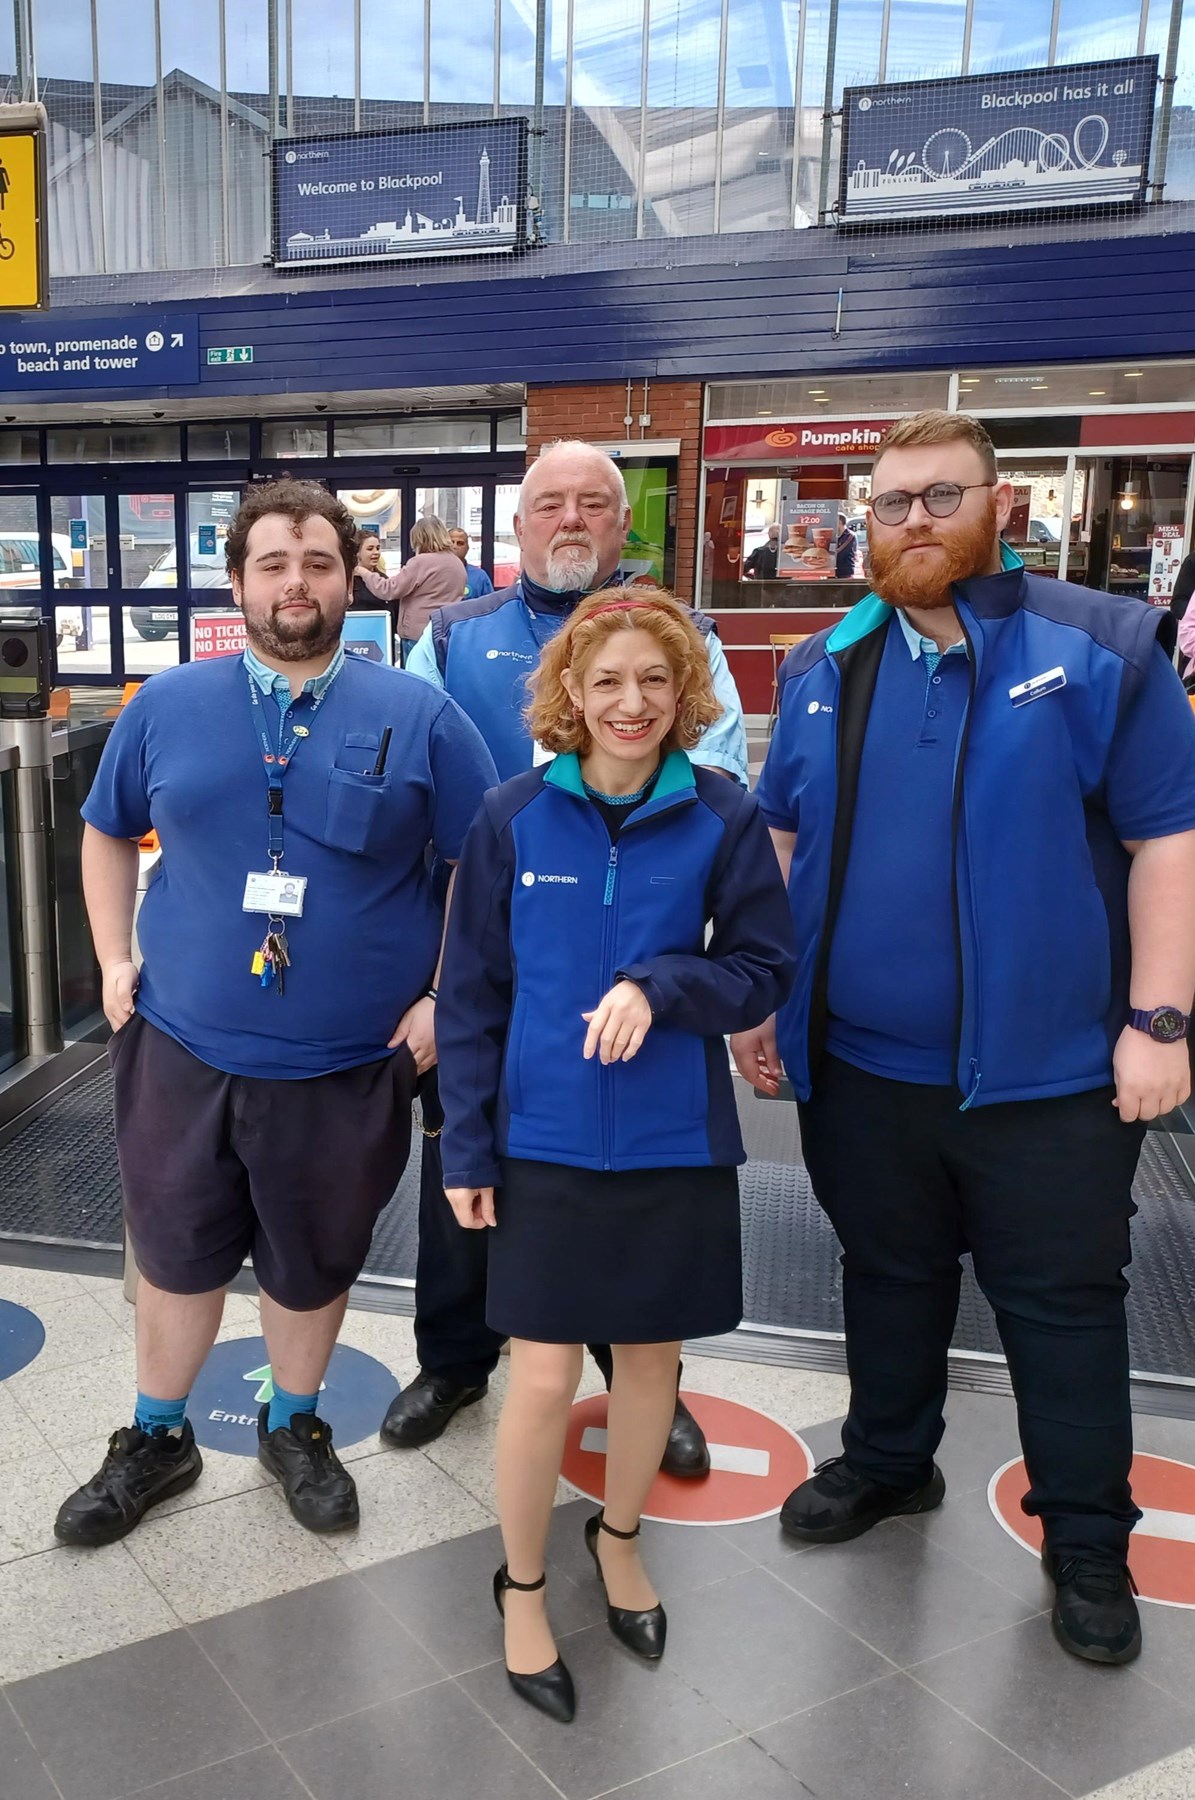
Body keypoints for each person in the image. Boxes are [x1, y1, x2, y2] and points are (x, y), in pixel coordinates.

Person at [733, 410, 1195, 1668]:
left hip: (1047, 1080)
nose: (914, 522)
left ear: (1005, 509)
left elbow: (1169, 838)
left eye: (942, 497)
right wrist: (767, 997)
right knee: (884, 1274)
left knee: (1061, 1307)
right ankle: (889, 1462)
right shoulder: (829, 658)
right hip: (866, 1070)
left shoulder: (1098, 646)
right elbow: (781, 838)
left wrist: (1158, 1020)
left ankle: (1089, 1542)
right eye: (890, 503)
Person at [54, 479, 497, 1548]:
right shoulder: (166, 704)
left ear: (352, 580)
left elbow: (480, 869)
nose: (294, 585)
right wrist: (115, 958)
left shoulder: (419, 715)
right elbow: (108, 830)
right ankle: (157, 1437)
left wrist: (442, 994)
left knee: (312, 1258)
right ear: (238, 580)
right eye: (272, 563)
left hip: (346, 1062)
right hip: (180, 1045)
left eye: (316, 563)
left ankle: (294, 1426)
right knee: (174, 1250)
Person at [437, 589, 795, 1722]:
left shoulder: (722, 816)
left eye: (653, 680)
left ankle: (621, 1534)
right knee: (541, 1375)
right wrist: (466, 1146)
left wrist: (661, 983)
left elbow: (760, 967)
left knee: (650, 1365)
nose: (630, 703)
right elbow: (472, 997)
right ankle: (524, 1582)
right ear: (568, 697)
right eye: (606, 682)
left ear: (683, 691)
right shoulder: (510, 817)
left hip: (669, 1141)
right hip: (540, 1140)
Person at [389, 440, 749, 1478]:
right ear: (518, 525)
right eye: (551, 504)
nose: (572, 521)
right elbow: (415, 788)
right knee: (465, 1161)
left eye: (595, 503)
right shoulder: (452, 636)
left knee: (621, 1185)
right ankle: (455, 1362)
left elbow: (717, 772)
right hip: (490, 955)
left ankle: (638, 1381)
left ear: (619, 524)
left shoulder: (681, 634)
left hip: (642, 961)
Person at [358, 515, 466, 663]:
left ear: (420, 538)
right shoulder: (456, 563)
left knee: (415, 680)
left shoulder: (421, 562)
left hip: (418, 635)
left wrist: (364, 572)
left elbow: (388, 590)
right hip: (447, 633)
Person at [448, 526, 494, 600]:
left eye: (460, 543)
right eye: (451, 542)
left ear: (467, 548)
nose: (454, 546)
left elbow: (490, 605)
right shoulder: (435, 574)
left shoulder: (480, 576)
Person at [350, 530, 384, 608]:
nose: (376, 552)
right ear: (357, 552)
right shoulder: (348, 583)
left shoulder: (383, 579)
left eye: (378, 548)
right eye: (370, 549)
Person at [835, 513, 860, 578]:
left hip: (845, 572)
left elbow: (841, 552)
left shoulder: (850, 535)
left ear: (840, 522)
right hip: (834, 572)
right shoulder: (835, 536)